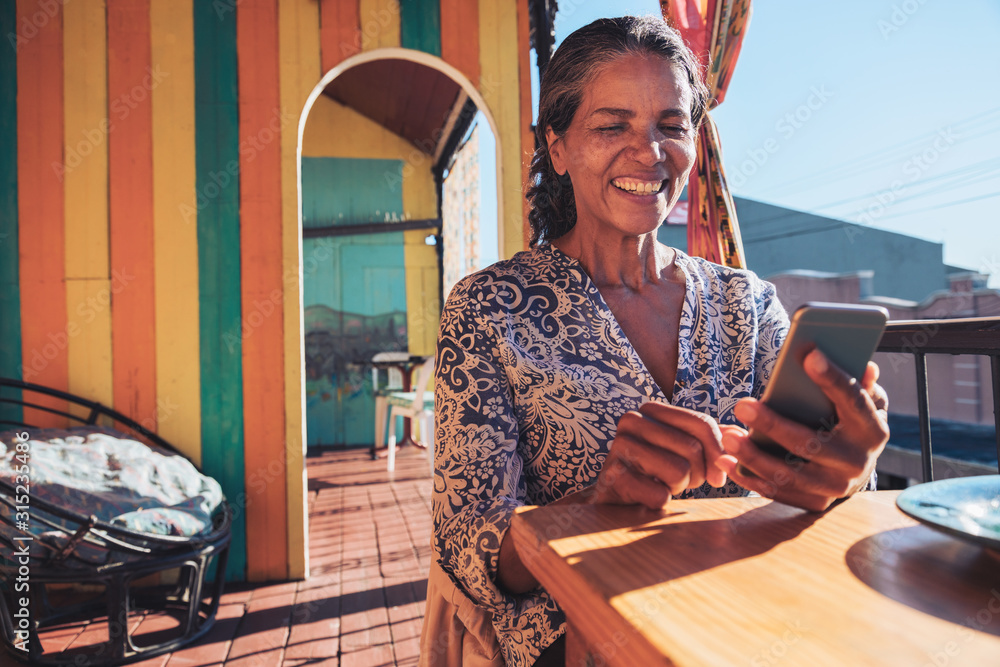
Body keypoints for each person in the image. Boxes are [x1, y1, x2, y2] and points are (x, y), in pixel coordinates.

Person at [422, 15, 890, 667]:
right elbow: (468, 551)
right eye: (613, 125)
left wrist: (850, 472)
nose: (648, 153)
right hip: (578, 642)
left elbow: (818, 479)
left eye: (671, 125)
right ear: (557, 147)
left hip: (749, 622)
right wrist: (590, 503)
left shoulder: (745, 303)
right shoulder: (489, 308)